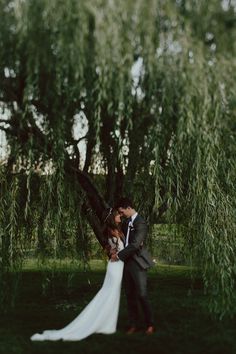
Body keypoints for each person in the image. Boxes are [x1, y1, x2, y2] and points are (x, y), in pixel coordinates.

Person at [30, 208, 124, 341]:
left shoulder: (117, 231)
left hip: (118, 266)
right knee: (109, 294)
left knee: (112, 295)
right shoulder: (112, 232)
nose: (120, 216)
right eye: (117, 215)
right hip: (115, 267)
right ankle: (103, 323)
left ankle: (107, 323)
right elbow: (114, 253)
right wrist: (118, 254)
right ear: (112, 218)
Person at [111, 197, 155, 335]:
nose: (121, 214)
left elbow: (135, 244)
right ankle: (133, 324)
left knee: (141, 294)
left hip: (138, 263)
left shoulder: (140, 222)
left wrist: (118, 256)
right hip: (127, 263)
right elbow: (124, 241)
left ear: (129, 208)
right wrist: (114, 248)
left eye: (122, 212)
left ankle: (150, 324)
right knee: (129, 294)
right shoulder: (126, 223)